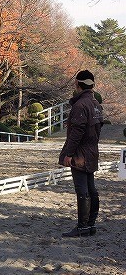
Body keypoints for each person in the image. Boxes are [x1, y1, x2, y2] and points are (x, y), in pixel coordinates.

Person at [59, 70, 104, 238]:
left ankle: (82, 226)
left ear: (78, 84)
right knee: (91, 188)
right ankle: (91, 224)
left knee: (82, 189)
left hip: (80, 153)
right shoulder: (96, 105)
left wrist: (68, 154)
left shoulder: (80, 105)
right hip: (92, 150)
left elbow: (76, 134)